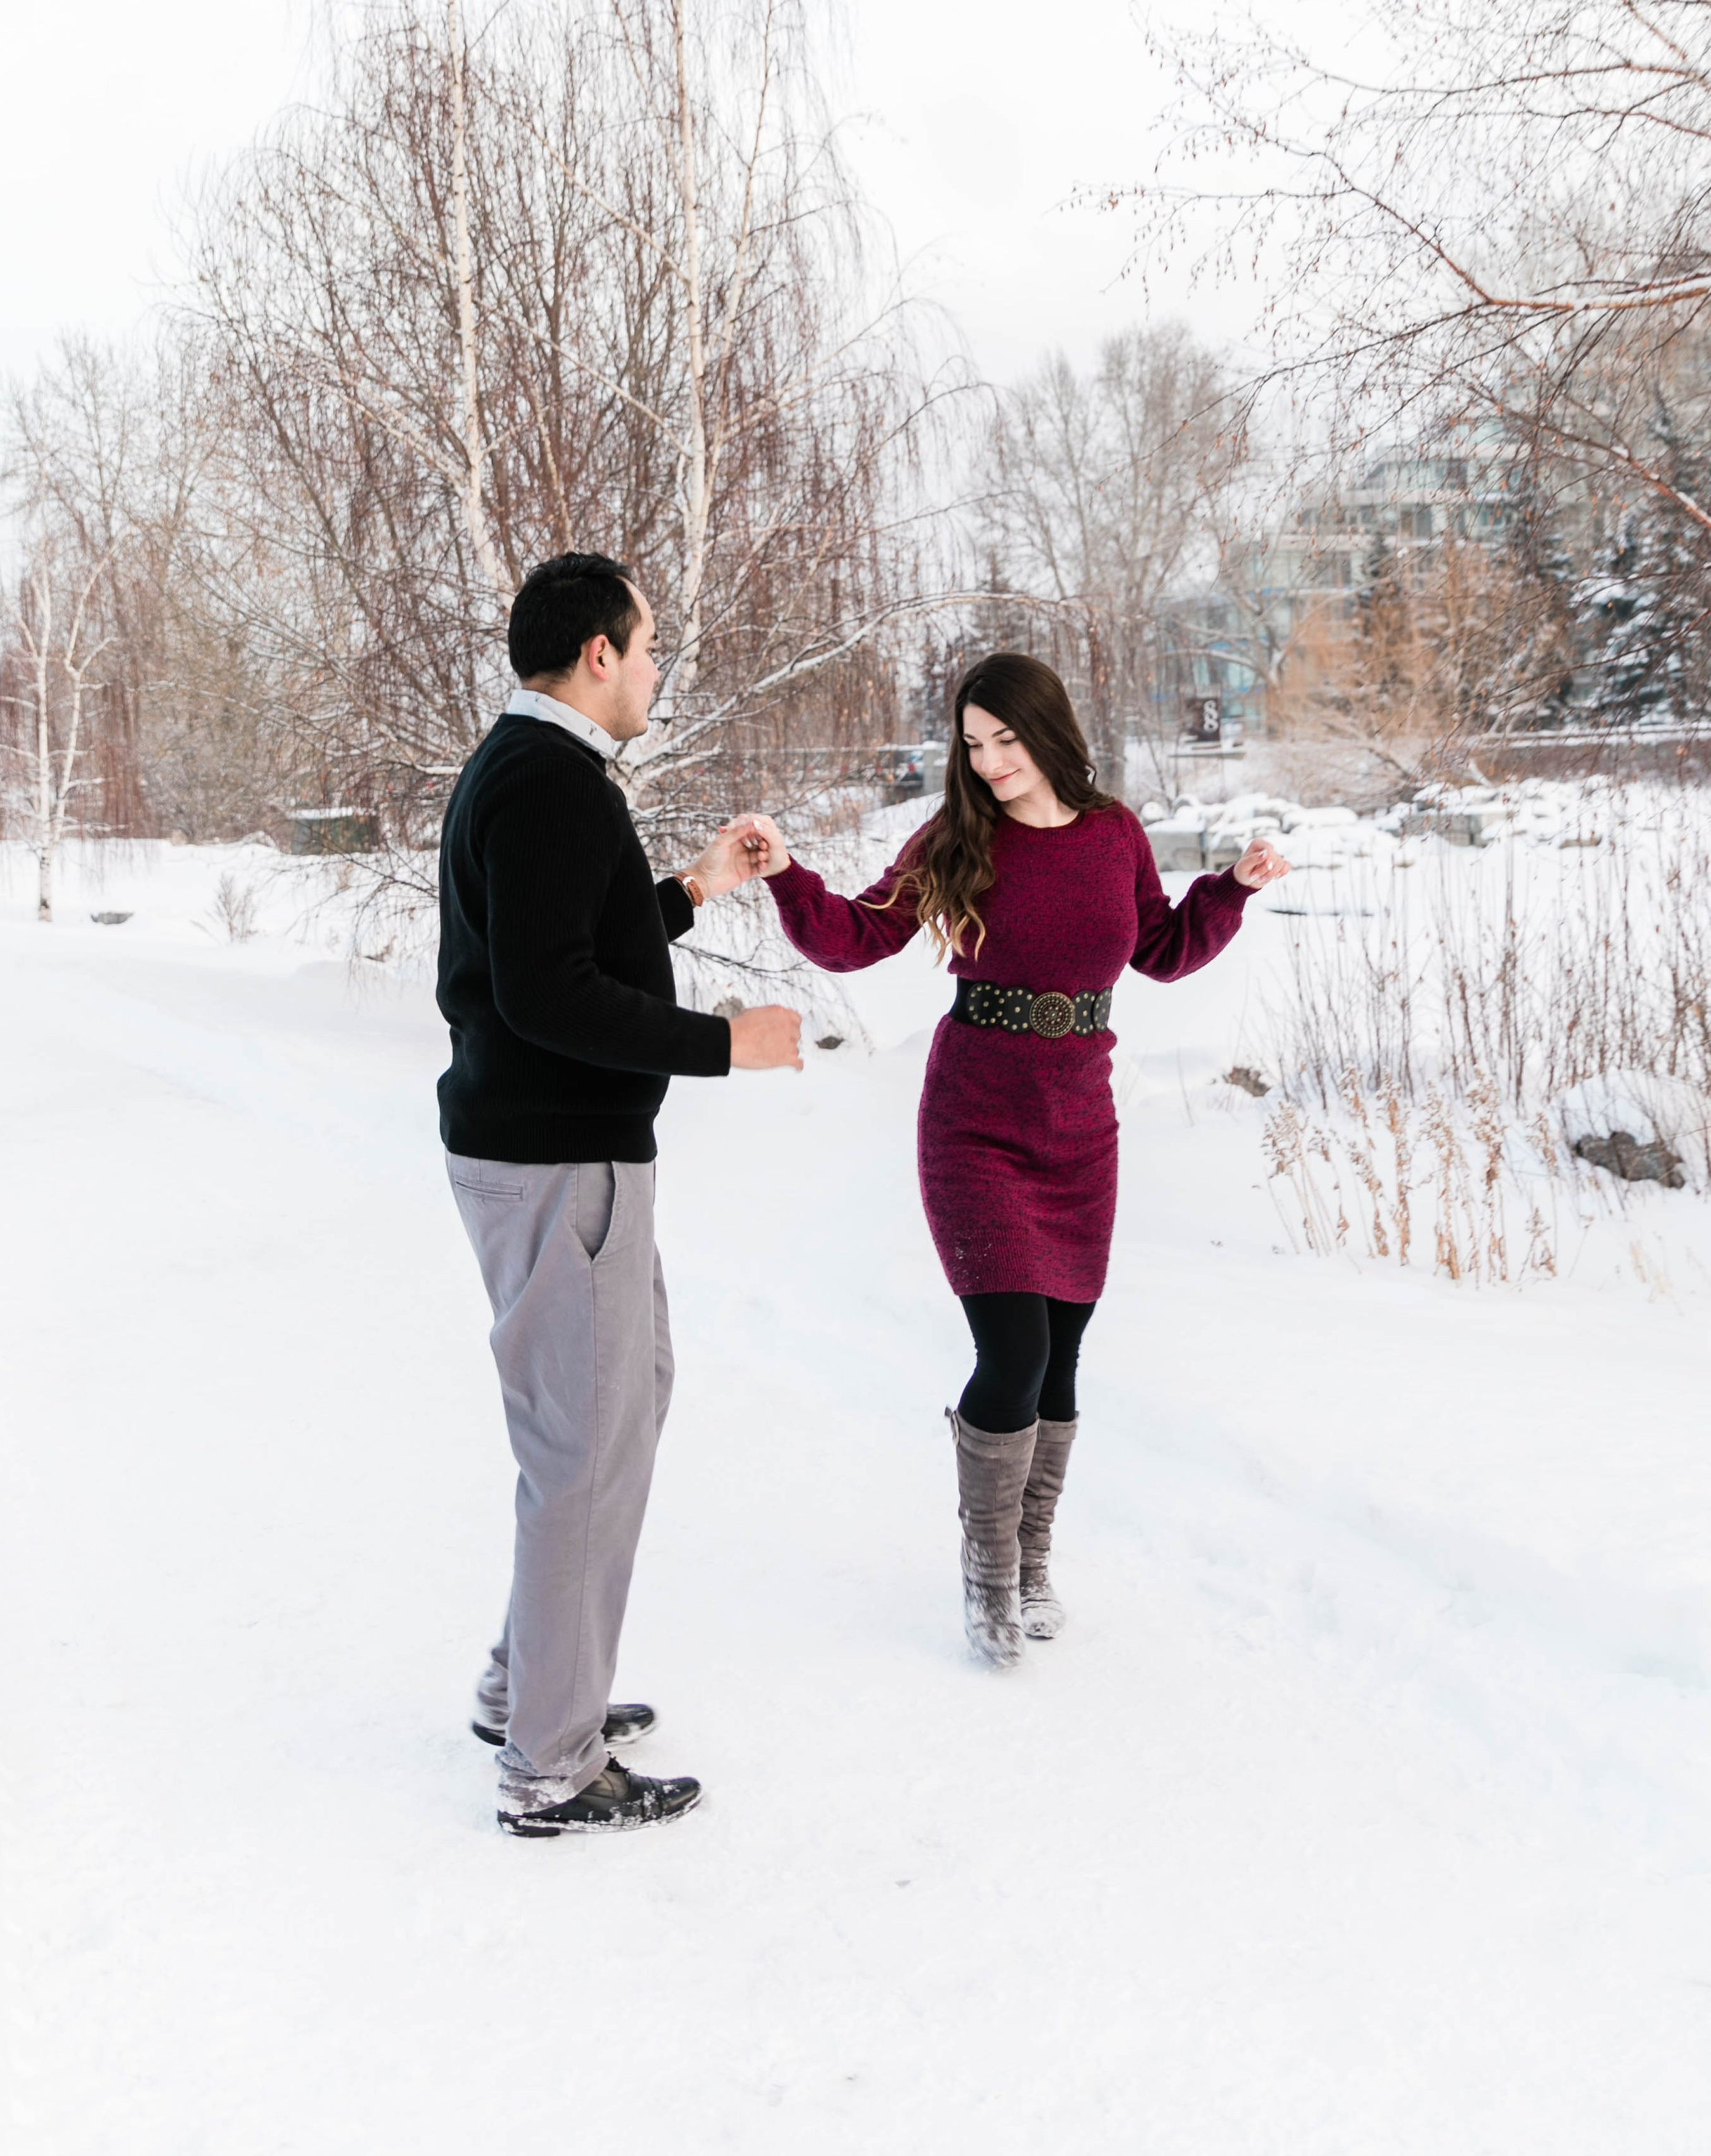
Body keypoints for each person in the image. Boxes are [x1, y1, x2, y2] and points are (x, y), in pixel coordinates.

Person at [728, 652, 1290, 1669]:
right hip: (975, 1122)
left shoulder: (1114, 834)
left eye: (1005, 740)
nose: (988, 762)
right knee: (1015, 1354)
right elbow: (855, 937)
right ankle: (988, 1577)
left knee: (1062, 1357)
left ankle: (1032, 1563)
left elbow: (1160, 950)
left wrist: (1231, 891)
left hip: (1079, 1125)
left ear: (1048, 731)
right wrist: (787, 875)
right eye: (973, 744)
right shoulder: (959, 836)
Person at [437, 551, 798, 1836]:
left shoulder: (539, 770)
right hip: (559, 1163)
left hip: (565, 1157)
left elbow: (572, 944)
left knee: (618, 1413)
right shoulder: (546, 780)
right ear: (598, 653)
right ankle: (548, 1761)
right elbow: (550, 994)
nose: (654, 671)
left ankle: (532, 1686)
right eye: (647, 648)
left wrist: (694, 889)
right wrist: (722, 1045)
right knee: (583, 1451)